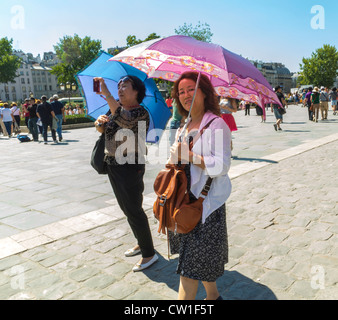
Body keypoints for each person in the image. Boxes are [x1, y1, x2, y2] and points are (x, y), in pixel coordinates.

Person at [168, 72, 232, 300]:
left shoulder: (217, 124)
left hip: (204, 207)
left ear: (204, 93)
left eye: (191, 90)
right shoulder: (183, 126)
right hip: (183, 203)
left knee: (188, 271)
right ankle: (213, 296)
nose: (185, 95)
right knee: (197, 261)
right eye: (181, 91)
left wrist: (190, 156)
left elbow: (222, 166)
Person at [94, 75, 158, 272]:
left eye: (125, 86)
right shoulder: (115, 109)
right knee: (127, 208)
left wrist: (106, 93)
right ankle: (141, 241)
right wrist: (99, 124)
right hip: (113, 163)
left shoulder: (140, 112)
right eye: (119, 85)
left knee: (134, 210)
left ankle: (149, 254)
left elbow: (124, 121)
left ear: (136, 91)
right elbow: (105, 129)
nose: (120, 89)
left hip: (130, 165)